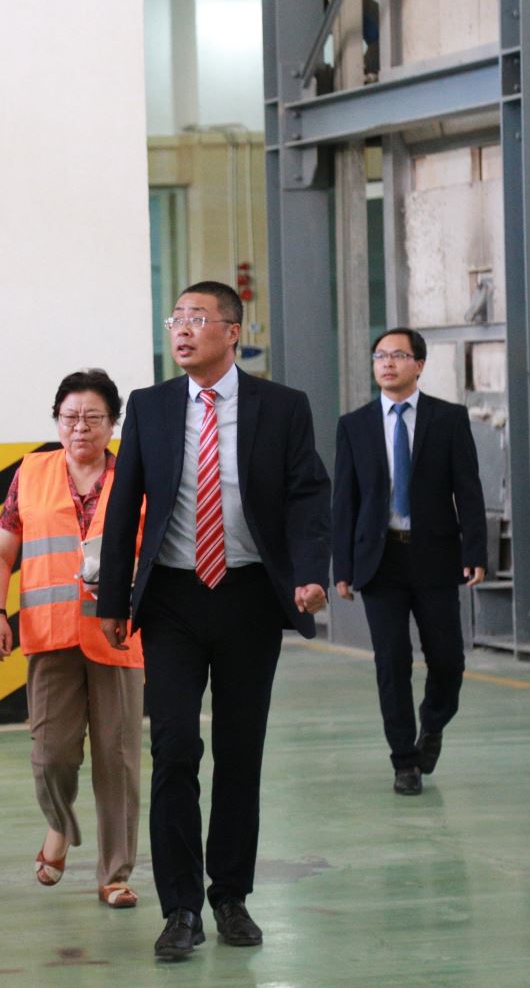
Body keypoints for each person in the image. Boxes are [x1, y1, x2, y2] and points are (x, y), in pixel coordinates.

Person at [97, 280, 330, 962]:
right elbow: (124, 505)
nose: (182, 328)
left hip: (248, 595)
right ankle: (180, 908)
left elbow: (307, 494)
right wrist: (113, 602)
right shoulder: (150, 406)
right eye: (177, 317)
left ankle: (230, 894)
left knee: (239, 749)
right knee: (174, 747)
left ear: (232, 331)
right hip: (171, 599)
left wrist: (309, 572)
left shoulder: (282, 406)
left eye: (197, 318)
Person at [0, 369, 145, 910]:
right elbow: (0, 552)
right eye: (70, 417)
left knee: (117, 759)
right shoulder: (30, 473)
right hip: (49, 635)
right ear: (56, 420)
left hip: (117, 635)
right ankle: (59, 824)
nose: (80, 427)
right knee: (51, 754)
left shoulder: (137, 475)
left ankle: (115, 874)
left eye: (93, 417)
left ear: (113, 423)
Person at [332, 327, 486, 796]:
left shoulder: (448, 419)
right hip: (380, 561)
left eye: (397, 355)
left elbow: (468, 489)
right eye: (380, 356)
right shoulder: (354, 425)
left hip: (435, 555)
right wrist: (342, 567)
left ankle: (433, 724)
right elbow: (345, 500)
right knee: (391, 662)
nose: (387, 363)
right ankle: (404, 760)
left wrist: (475, 551)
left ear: (418, 364)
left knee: (448, 660)